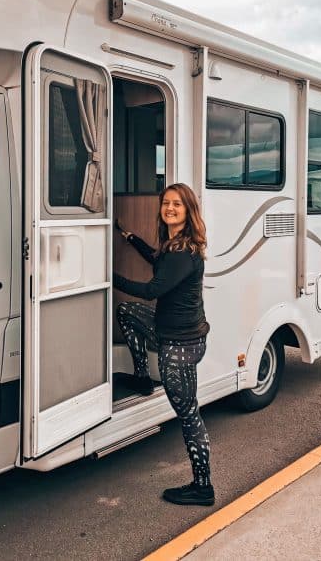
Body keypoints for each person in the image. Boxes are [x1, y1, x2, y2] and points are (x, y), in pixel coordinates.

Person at [113, 183, 214, 506]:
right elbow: (155, 259)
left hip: (180, 344)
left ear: (188, 211)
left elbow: (151, 290)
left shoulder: (183, 252)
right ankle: (142, 376)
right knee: (126, 312)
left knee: (188, 414)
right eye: (166, 203)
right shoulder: (173, 246)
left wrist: (106, 275)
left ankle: (202, 486)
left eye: (177, 205)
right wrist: (128, 237)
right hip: (169, 332)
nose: (169, 208)